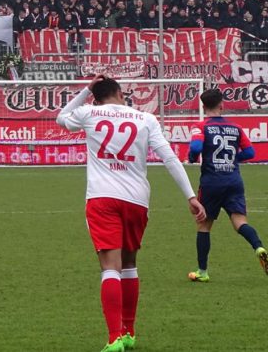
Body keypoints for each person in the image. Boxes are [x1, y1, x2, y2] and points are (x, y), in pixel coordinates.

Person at [56, 76, 206, 352]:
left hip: (102, 198)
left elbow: (61, 117)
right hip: (137, 200)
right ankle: (130, 331)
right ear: (120, 93)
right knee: (129, 265)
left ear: (96, 97)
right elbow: (169, 157)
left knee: (109, 268)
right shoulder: (145, 119)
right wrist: (191, 196)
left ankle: (114, 338)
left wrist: (86, 90)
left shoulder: (89, 112)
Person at [186, 89, 268, 283]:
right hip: (234, 181)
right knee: (240, 222)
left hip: (211, 182)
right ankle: (258, 247)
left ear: (203, 106)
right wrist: (234, 158)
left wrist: (192, 158)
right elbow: (250, 152)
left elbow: (195, 148)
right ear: (221, 105)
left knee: (203, 225)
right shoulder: (235, 127)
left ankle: (202, 271)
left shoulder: (200, 126)